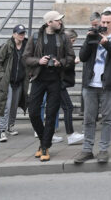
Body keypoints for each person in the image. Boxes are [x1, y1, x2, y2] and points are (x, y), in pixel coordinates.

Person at [74, 10, 111, 165]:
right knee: (88, 118)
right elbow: (83, 56)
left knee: (107, 119)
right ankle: (87, 149)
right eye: (102, 22)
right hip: (90, 83)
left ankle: (103, 150)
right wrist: (88, 39)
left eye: (107, 22)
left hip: (108, 84)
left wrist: (107, 44)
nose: (104, 25)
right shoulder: (94, 35)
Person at [23, 10, 75, 162]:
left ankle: (45, 147)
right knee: (33, 112)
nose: (60, 22)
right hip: (39, 79)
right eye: (57, 20)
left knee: (51, 115)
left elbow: (71, 57)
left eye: (60, 20)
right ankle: (44, 141)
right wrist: (39, 61)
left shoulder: (64, 38)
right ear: (49, 23)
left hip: (56, 80)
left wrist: (61, 63)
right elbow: (25, 58)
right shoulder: (35, 37)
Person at [0, 25, 28, 143]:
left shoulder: (26, 46)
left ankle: (10, 126)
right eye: (19, 33)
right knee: (6, 106)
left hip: (20, 81)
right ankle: (2, 130)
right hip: (8, 81)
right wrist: (3, 76)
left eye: (23, 33)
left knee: (14, 106)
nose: (21, 35)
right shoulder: (7, 46)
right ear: (14, 34)